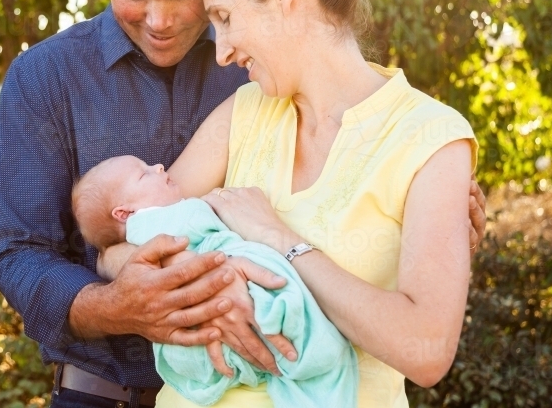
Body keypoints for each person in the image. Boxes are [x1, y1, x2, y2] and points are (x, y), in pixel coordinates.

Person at [0, 0, 487, 408]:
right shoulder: (51, 79)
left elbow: (419, 329)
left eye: (189, 0)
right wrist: (133, 299)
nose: (160, 20)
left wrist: (422, 226)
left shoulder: (273, 85)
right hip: (100, 394)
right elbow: (45, 252)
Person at [71, 155, 359, 407]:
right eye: (144, 173)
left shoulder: (142, 234)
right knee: (283, 304)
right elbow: (201, 223)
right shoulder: (157, 221)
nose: (158, 166)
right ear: (125, 213)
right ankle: (314, 356)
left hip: (194, 345)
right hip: (217, 299)